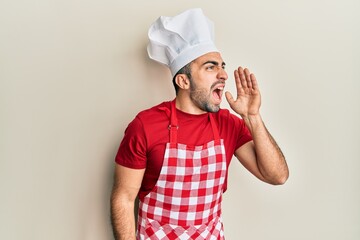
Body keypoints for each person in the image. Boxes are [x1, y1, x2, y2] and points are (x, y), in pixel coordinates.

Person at [110, 8, 289, 240]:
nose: (223, 75)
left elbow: (277, 176)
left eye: (222, 66)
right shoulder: (145, 125)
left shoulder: (228, 124)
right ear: (183, 80)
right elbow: (123, 198)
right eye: (210, 66)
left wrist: (252, 116)